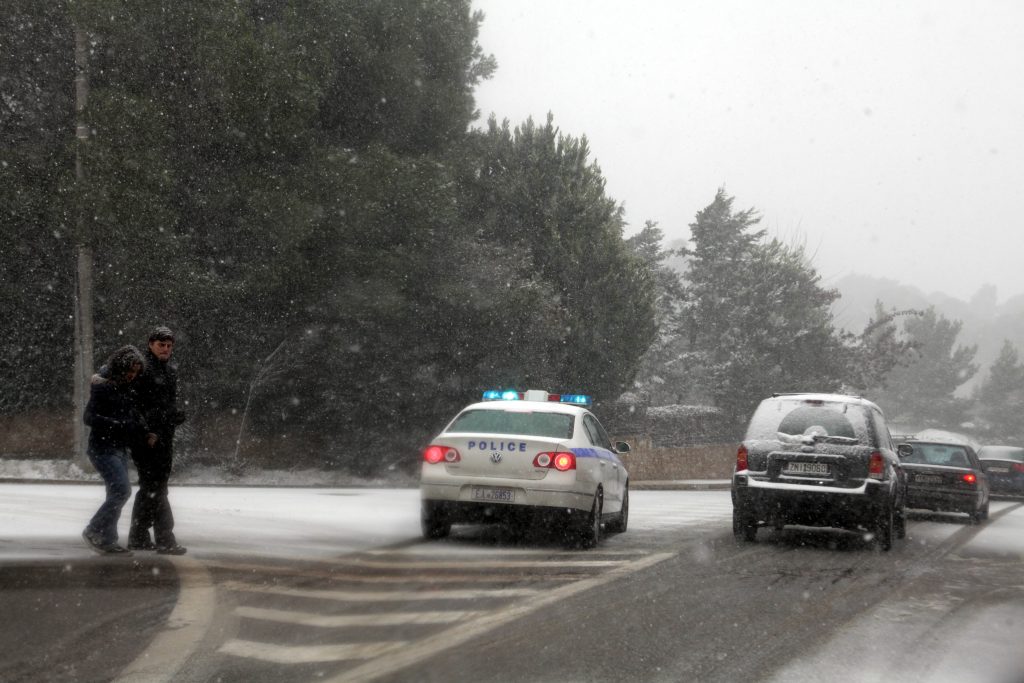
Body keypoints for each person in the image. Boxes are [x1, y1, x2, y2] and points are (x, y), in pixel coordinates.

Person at [127, 325, 188, 555]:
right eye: (161, 345)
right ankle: (165, 538)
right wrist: (150, 428)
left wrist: (173, 417)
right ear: (151, 344)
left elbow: (164, 405)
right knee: (157, 489)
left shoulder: (169, 372)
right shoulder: (142, 370)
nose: (165, 349)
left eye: (169, 346)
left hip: (163, 436)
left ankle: (139, 535)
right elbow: (136, 406)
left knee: (151, 488)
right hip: (147, 438)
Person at [82, 345, 148, 555]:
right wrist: (118, 424)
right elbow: (89, 417)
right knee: (122, 490)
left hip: (119, 448)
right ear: (120, 367)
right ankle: (93, 529)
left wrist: (143, 430)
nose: (132, 375)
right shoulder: (104, 387)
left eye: (136, 372)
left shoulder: (127, 387)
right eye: (130, 371)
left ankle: (107, 540)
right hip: (102, 448)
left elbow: (132, 415)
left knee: (114, 492)